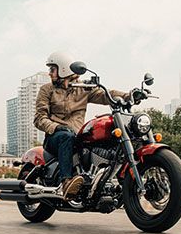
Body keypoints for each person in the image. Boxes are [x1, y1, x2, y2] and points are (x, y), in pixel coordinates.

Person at [34, 52, 129, 200]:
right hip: (55, 137)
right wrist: (56, 127)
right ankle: (66, 182)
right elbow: (39, 118)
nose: (50, 73)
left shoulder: (82, 88)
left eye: (53, 69)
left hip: (76, 136)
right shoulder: (47, 90)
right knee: (66, 136)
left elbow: (106, 94)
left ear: (63, 69)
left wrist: (129, 96)